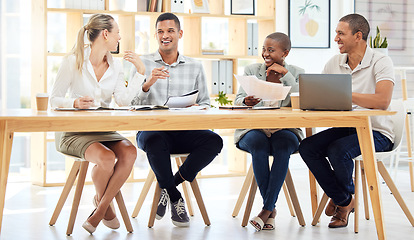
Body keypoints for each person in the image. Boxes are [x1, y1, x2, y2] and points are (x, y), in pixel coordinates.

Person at [50, 14, 146, 234]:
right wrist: (74, 102)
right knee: (107, 157)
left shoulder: (116, 65)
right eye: (117, 32)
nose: (119, 37)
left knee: (130, 151)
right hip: (73, 132)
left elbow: (122, 100)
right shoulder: (72, 61)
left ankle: (100, 208)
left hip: (102, 130)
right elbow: (53, 100)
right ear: (105, 34)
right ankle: (104, 209)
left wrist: (140, 72)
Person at [299, 13, 395, 228]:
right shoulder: (335, 63)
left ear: (358, 36)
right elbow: (323, 95)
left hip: (377, 131)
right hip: (346, 128)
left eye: (341, 33)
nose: (336, 38)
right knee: (307, 147)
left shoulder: (381, 61)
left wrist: (346, 93)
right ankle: (345, 200)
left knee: (338, 150)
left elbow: (382, 100)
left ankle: (342, 205)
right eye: (336, 33)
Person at [130, 12, 223, 227]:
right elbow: (131, 104)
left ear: (179, 33)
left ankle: (169, 185)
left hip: (184, 132)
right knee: (155, 141)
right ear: (156, 35)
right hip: (152, 133)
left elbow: (206, 102)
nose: (165, 35)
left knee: (214, 141)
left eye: (170, 30)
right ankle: (175, 196)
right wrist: (147, 83)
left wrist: (198, 107)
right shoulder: (143, 63)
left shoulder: (195, 66)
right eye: (161, 31)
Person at [234, 32, 305, 231]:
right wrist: (245, 101)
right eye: (264, 49)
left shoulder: (297, 72)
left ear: (285, 53)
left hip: (285, 129)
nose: (265, 53)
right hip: (253, 129)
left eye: (271, 50)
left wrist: (285, 75)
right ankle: (270, 211)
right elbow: (237, 100)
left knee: (283, 147)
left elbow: (302, 99)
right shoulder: (251, 69)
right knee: (259, 145)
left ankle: (265, 210)